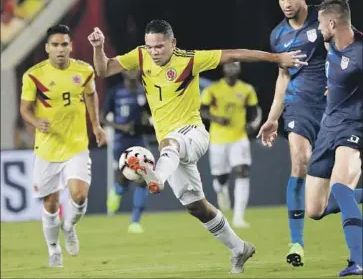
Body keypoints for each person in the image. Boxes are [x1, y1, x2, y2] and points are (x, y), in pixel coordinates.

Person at [88, 19, 306, 274]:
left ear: (173, 43)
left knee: (170, 144)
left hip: (193, 134)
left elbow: (235, 54)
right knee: (196, 206)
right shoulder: (141, 55)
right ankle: (239, 248)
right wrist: (98, 48)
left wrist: (277, 57)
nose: (154, 52)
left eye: (159, 46)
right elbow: (104, 70)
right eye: (150, 47)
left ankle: (156, 177)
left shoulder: (190, 59)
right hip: (172, 149)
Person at [20, 24, 107, 267]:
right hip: (48, 149)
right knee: (50, 204)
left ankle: (69, 226)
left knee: (79, 196)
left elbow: (91, 94)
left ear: (71, 46)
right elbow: (24, 110)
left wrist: (97, 126)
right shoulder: (33, 75)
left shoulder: (84, 70)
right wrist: (37, 121)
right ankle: (53, 249)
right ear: (47, 48)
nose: (60, 49)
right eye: (55, 45)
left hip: (77, 146)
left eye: (64, 44)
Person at [257, 0, 328, 267]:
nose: (286, 4)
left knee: (338, 181)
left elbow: (349, 48)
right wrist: (273, 118)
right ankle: (296, 242)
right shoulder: (278, 36)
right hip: (297, 109)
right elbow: (283, 77)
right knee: (300, 162)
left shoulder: (324, 20)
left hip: (333, 108)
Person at [306, 0, 362, 277]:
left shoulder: (361, 51)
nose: (317, 28)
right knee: (315, 209)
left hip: (353, 127)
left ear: (331, 22)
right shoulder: (329, 44)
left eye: (319, 23)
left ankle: (358, 259)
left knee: (341, 188)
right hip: (327, 129)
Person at [200, 61, 262, 228]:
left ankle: (239, 217)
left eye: (235, 65)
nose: (232, 68)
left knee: (242, 171)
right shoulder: (213, 89)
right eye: (229, 65)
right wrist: (215, 118)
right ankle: (222, 189)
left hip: (239, 137)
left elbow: (255, 111)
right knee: (221, 177)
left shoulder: (247, 89)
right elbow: (202, 110)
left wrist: (253, 125)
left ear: (239, 68)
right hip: (218, 139)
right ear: (223, 68)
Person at [102, 70, 151, 234]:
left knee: (143, 178)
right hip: (121, 142)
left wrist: (146, 120)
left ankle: (135, 222)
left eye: (134, 69)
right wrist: (121, 127)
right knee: (125, 178)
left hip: (138, 140)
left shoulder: (143, 91)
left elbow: (150, 114)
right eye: (128, 69)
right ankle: (117, 190)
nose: (131, 73)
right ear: (123, 73)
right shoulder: (115, 92)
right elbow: (102, 118)